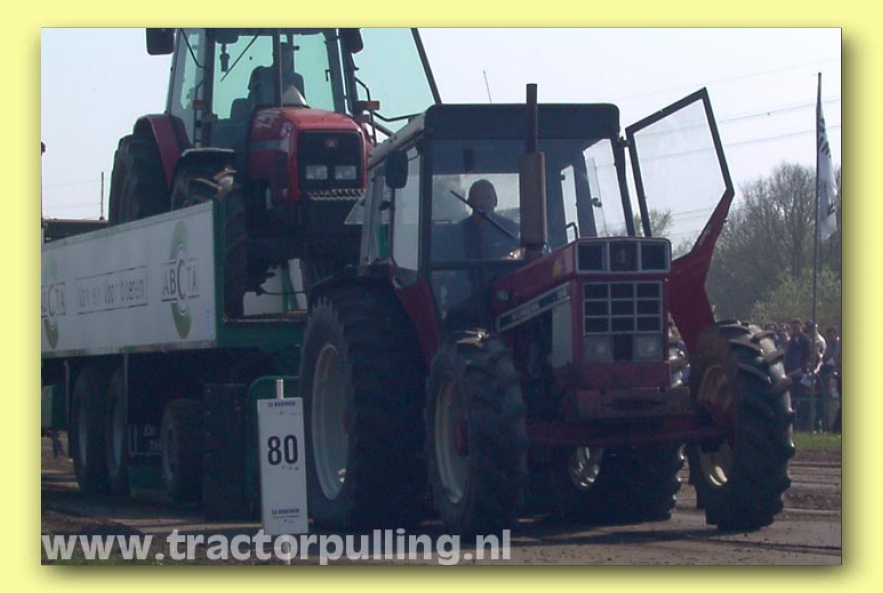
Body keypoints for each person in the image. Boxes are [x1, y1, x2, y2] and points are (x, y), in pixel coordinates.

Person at [460, 179, 519, 259]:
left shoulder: (509, 227)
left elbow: (516, 255)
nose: (485, 202)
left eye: (488, 197)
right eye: (479, 198)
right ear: (470, 202)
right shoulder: (460, 230)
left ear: (496, 201)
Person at [784, 319, 812, 431]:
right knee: (793, 399)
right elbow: (788, 358)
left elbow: (806, 358)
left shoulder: (805, 340)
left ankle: (803, 423)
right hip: (791, 373)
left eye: (797, 327)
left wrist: (799, 370)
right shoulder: (791, 341)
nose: (795, 329)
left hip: (801, 373)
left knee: (802, 399)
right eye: (793, 328)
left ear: (801, 327)